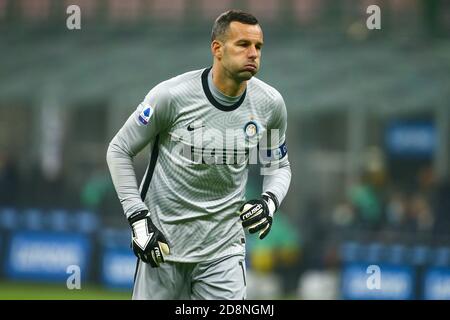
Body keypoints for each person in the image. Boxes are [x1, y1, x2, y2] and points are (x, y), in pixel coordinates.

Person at [106, 10, 291, 300]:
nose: (253, 53)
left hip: (224, 253)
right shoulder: (171, 96)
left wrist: (269, 203)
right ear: (217, 49)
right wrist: (138, 220)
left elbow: (279, 166)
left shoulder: (270, 104)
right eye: (243, 44)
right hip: (163, 248)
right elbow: (119, 150)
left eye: (258, 47)